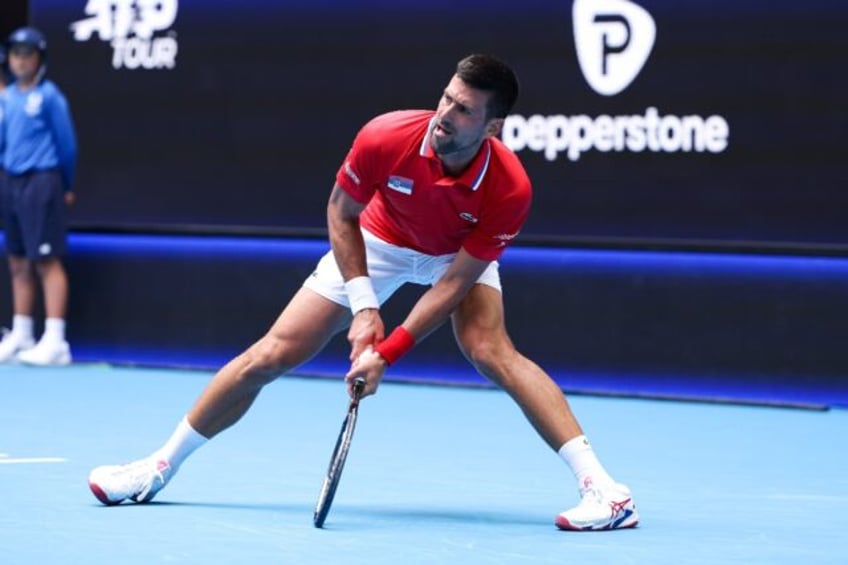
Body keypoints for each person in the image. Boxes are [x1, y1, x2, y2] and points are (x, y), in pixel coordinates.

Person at [88, 54, 638, 531]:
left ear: (492, 127)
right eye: (446, 98)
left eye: (464, 109)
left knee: (491, 350)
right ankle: (158, 467)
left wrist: (387, 352)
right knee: (272, 353)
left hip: (454, 255)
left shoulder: (510, 187)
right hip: (381, 237)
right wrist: (364, 306)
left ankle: (605, 490)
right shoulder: (387, 135)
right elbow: (340, 213)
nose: (444, 115)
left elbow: (452, 284)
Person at [0, 27, 77, 366]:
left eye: (27, 54)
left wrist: (67, 184)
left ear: (39, 59)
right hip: (11, 182)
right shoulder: (5, 98)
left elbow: (67, 144)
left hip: (43, 180)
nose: (20, 60)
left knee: (46, 260)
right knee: (17, 260)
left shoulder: (49, 96)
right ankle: (22, 332)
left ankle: (56, 339)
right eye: (15, 53)